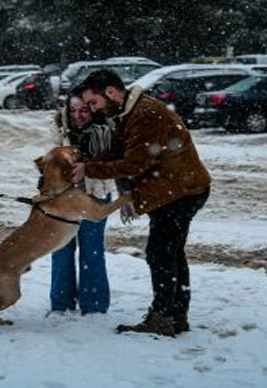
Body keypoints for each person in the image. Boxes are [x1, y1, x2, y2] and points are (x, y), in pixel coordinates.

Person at [71, 69, 211, 336]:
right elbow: (119, 151)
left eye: (93, 103)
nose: (92, 108)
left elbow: (136, 163)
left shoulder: (146, 114)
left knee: (160, 254)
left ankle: (163, 317)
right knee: (171, 253)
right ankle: (175, 315)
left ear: (111, 92)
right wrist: (88, 162)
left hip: (179, 193)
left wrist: (89, 170)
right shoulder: (128, 112)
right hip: (176, 190)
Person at [49, 95, 117, 314]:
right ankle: (61, 305)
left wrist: (88, 167)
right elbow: (47, 162)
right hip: (62, 200)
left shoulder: (107, 130)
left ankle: (94, 306)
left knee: (92, 250)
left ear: (93, 111)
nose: (77, 116)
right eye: (73, 111)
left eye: (84, 111)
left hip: (95, 197)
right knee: (61, 249)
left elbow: (114, 164)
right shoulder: (58, 130)